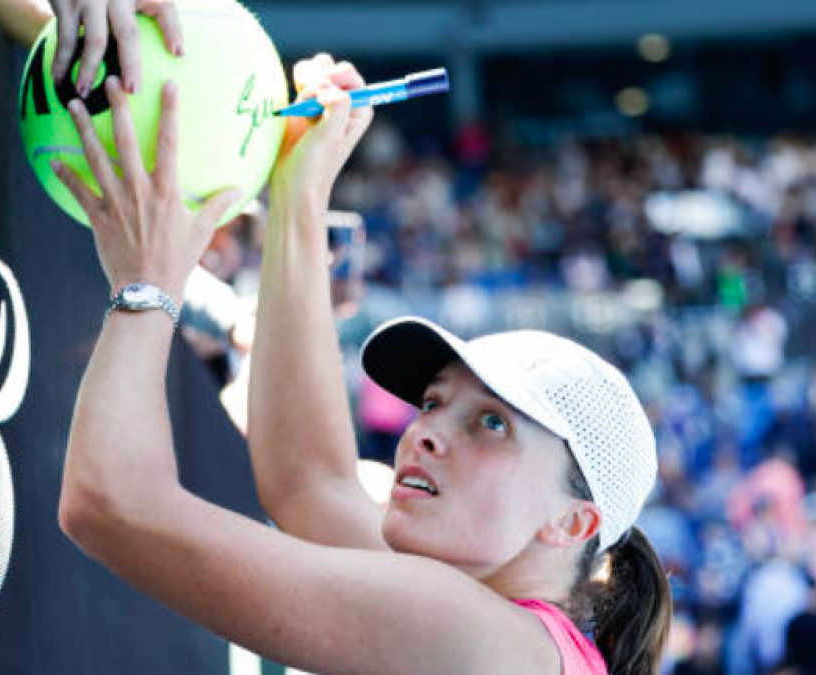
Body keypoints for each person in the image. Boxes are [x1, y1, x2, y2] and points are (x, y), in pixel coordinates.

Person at [50, 36, 672, 672]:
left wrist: (146, 283)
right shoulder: (510, 635)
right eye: (433, 402)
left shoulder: (475, 635)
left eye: (493, 423)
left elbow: (113, 505)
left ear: (571, 524)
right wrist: (301, 189)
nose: (424, 431)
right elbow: (307, 482)